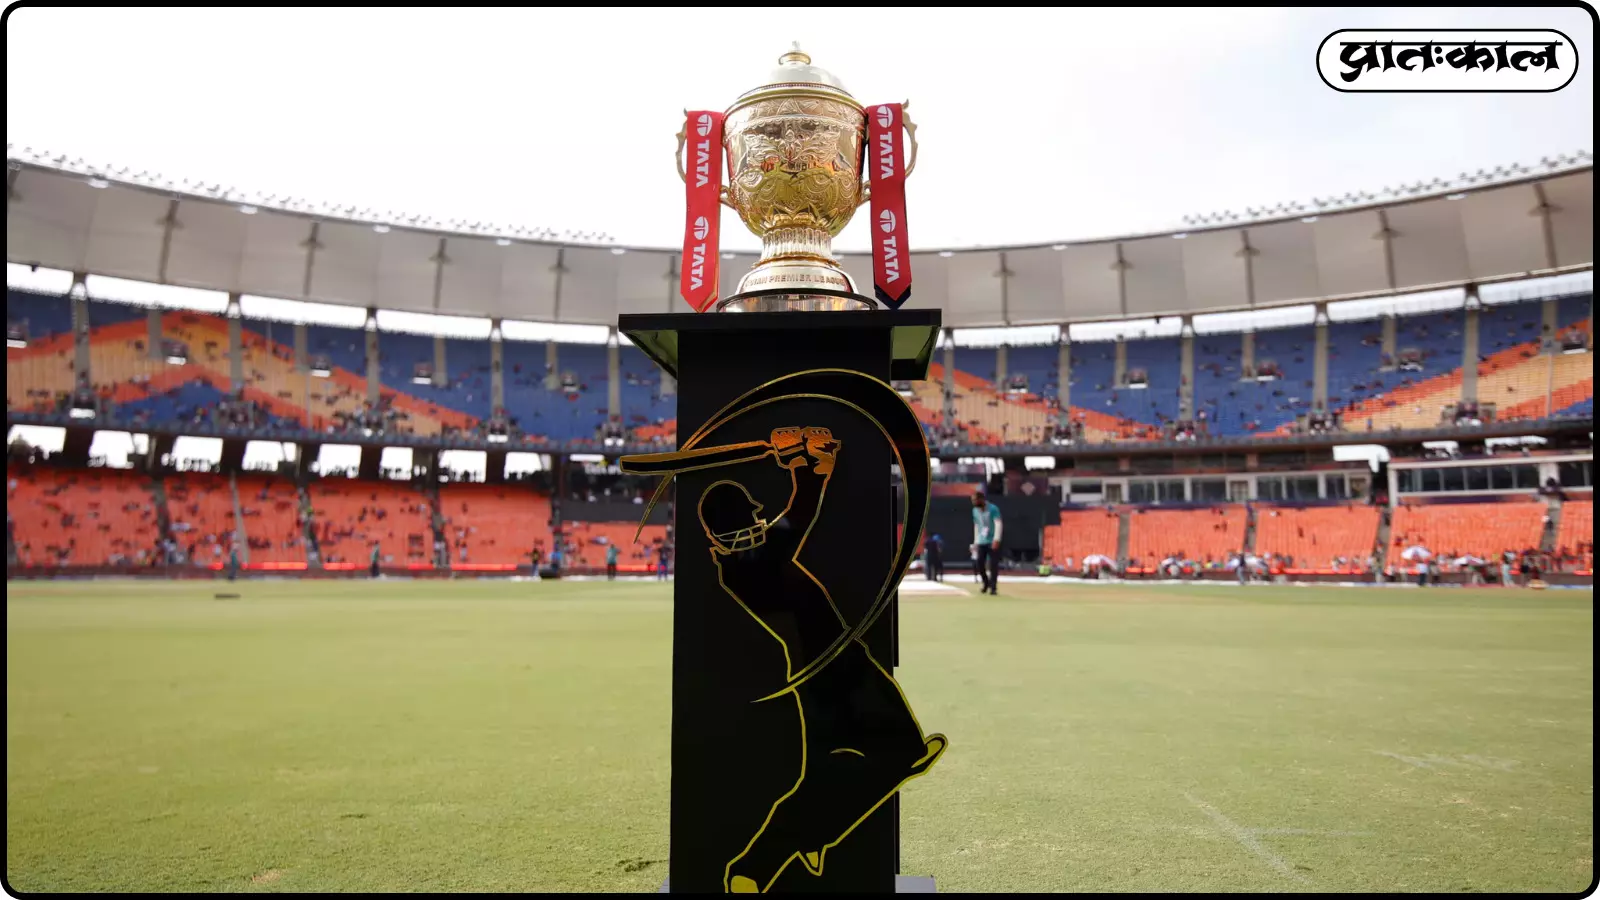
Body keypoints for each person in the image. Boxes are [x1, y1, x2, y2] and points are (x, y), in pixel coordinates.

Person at [970, 489, 1002, 596]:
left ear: (982, 499)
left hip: (992, 540)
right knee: (979, 563)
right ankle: (986, 582)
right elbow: (976, 526)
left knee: (993, 565)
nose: (974, 502)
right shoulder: (975, 511)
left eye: (975, 500)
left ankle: (993, 587)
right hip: (981, 540)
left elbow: (998, 523)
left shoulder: (993, 509)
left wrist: (996, 539)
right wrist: (975, 542)